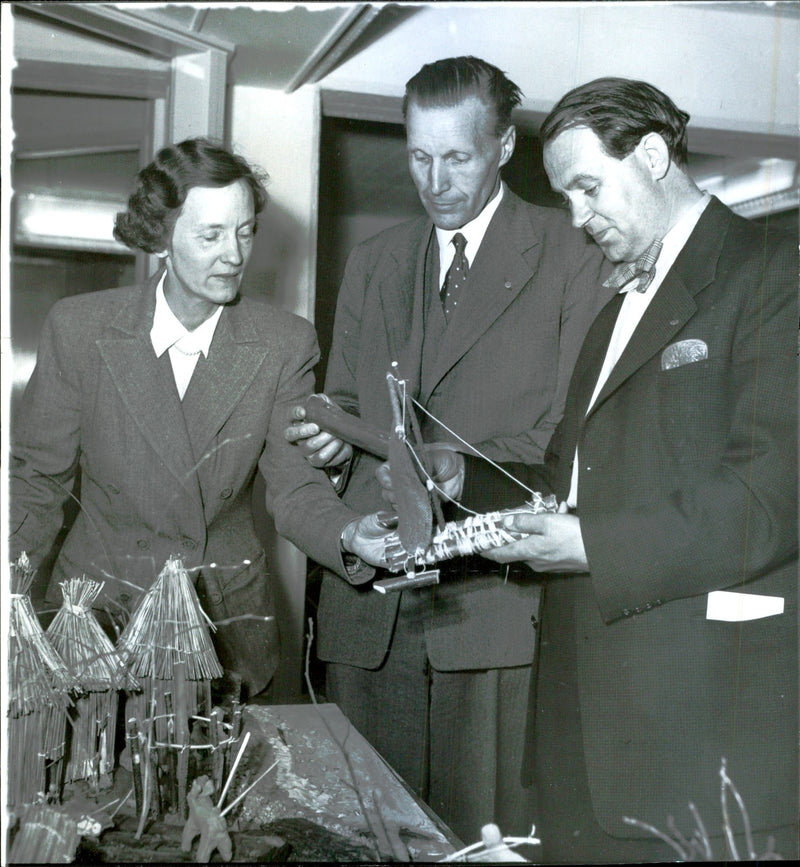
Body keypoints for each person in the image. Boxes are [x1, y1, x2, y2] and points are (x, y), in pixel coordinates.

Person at [472, 78, 798, 862]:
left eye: (588, 187)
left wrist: (588, 546)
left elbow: (770, 495)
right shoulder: (615, 306)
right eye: (566, 197)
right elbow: (573, 482)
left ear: (653, 156)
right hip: (585, 734)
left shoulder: (773, 274)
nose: (579, 219)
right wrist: (460, 479)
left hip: (703, 737)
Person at [286, 57, 610, 840]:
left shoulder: (572, 254)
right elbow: (354, 408)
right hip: (371, 619)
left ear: (502, 146)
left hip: (490, 618)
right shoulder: (375, 263)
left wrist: (457, 466)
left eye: (457, 156)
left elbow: (570, 441)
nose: (434, 180)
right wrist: (332, 441)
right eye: (419, 156)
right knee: (363, 842)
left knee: (479, 843)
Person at [9, 138, 388, 700]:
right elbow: (37, 481)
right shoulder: (79, 329)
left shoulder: (284, 343)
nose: (234, 256)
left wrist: (348, 533)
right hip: (97, 620)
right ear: (161, 237)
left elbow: (296, 488)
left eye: (245, 230)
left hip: (223, 630)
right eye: (210, 235)